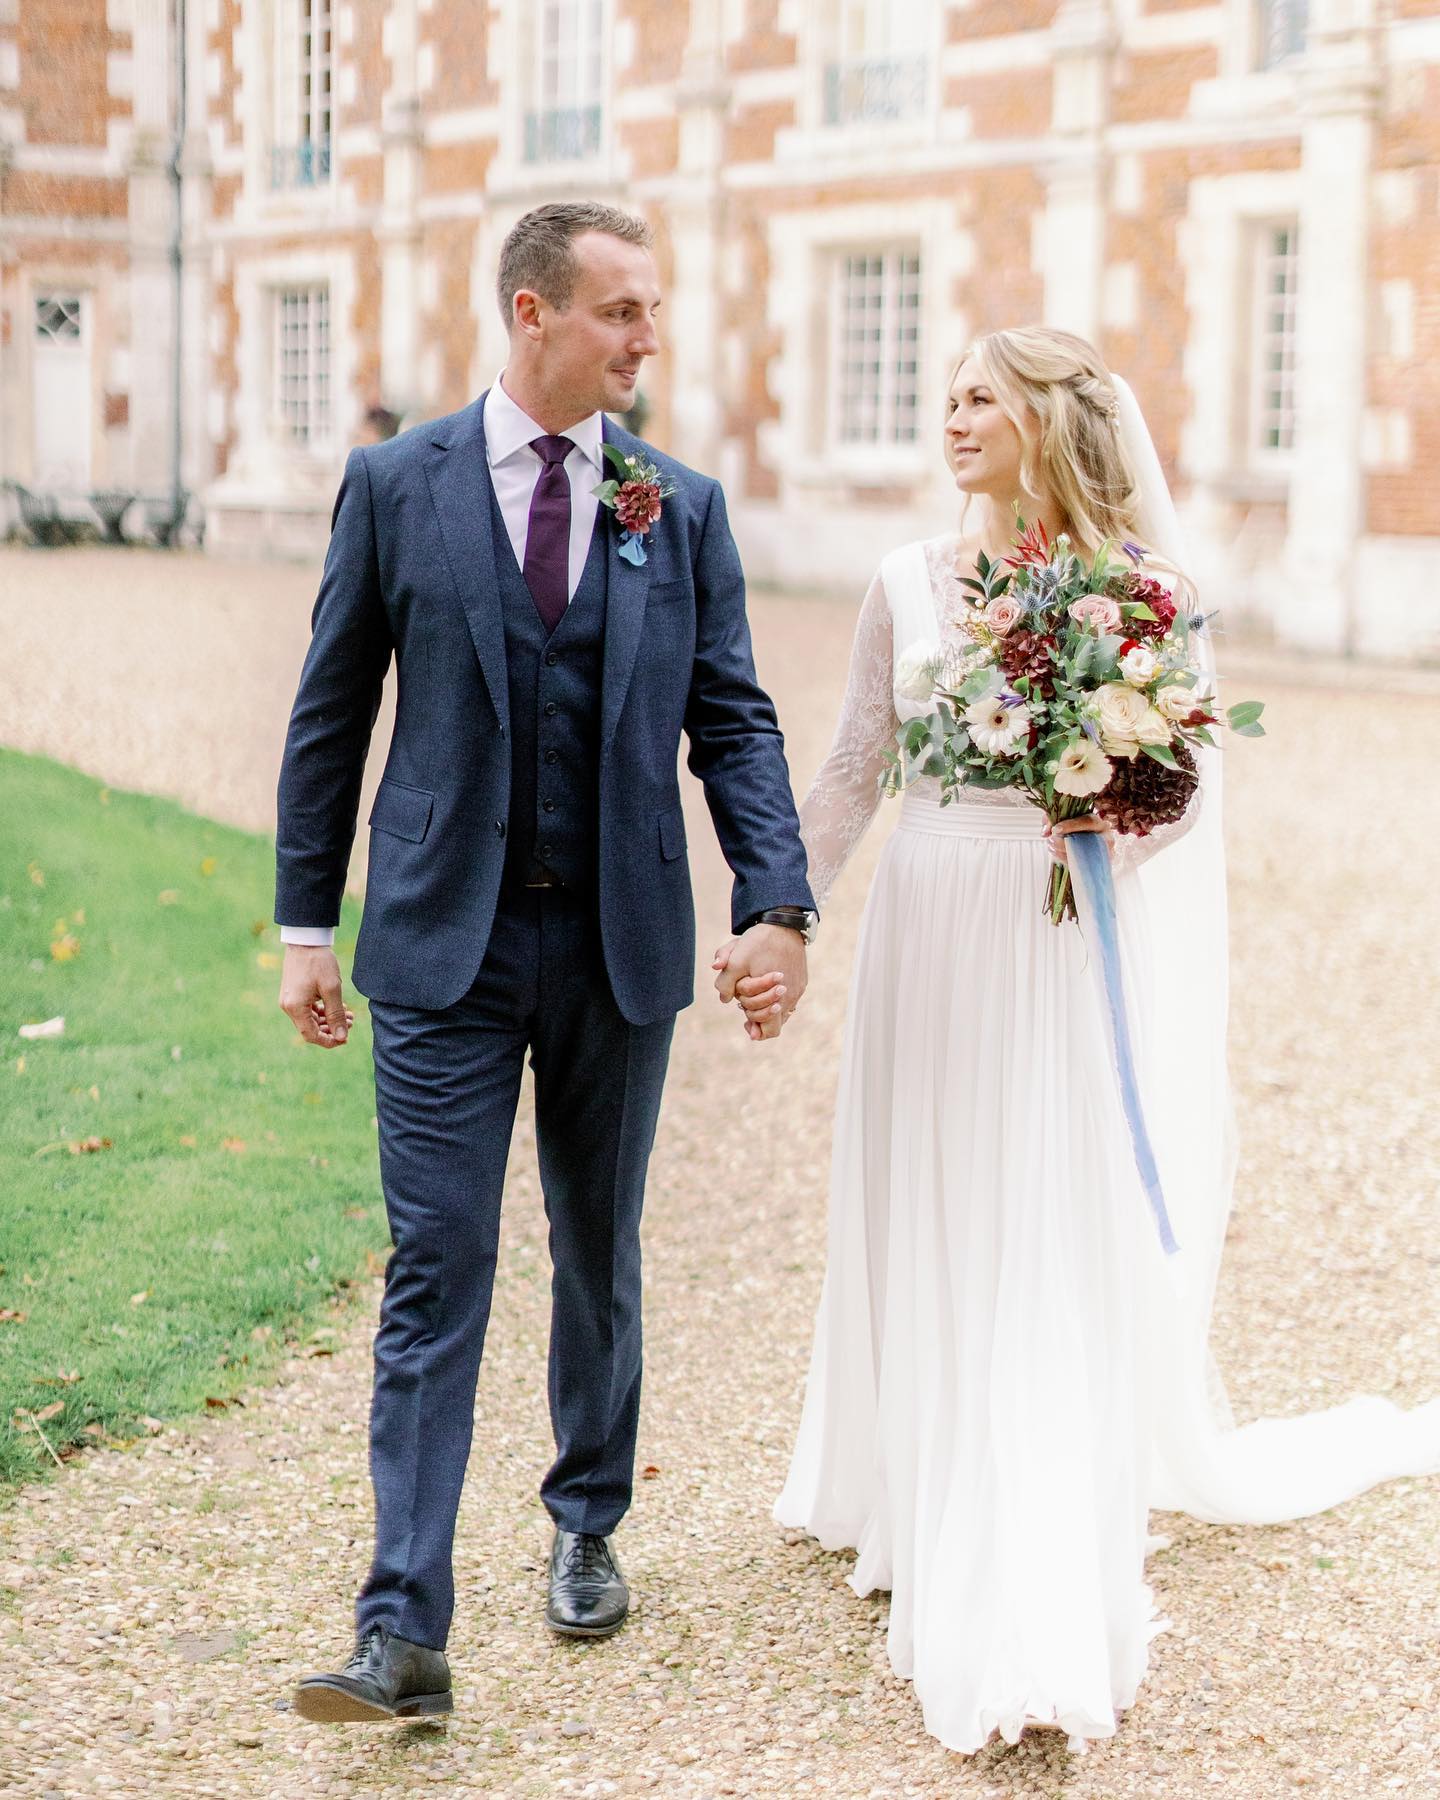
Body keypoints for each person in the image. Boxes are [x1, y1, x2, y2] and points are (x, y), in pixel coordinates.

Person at [718, 326, 1440, 1755]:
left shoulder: (1141, 598)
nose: (954, 417)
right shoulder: (900, 585)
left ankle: (1026, 1552)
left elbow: (1178, 799)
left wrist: (1113, 811)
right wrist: (777, 912)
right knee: (929, 1196)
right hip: (930, 927)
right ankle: (917, 1477)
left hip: (1051, 938)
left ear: (1051, 418)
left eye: (982, 395)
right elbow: (857, 764)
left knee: (1035, 1214)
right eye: (948, 398)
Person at [274, 201, 817, 1723]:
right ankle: (401, 1627)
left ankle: (585, 1520)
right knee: (440, 1265)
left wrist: (774, 902)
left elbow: (737, 719)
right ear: (532, 314)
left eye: (651, 312)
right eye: (623, 312)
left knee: (600, 1246)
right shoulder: (396, 485)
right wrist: (308, 923)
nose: (649, 337)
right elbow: (332, 711)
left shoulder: (679, 507)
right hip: (442, 942)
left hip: (617, 944)